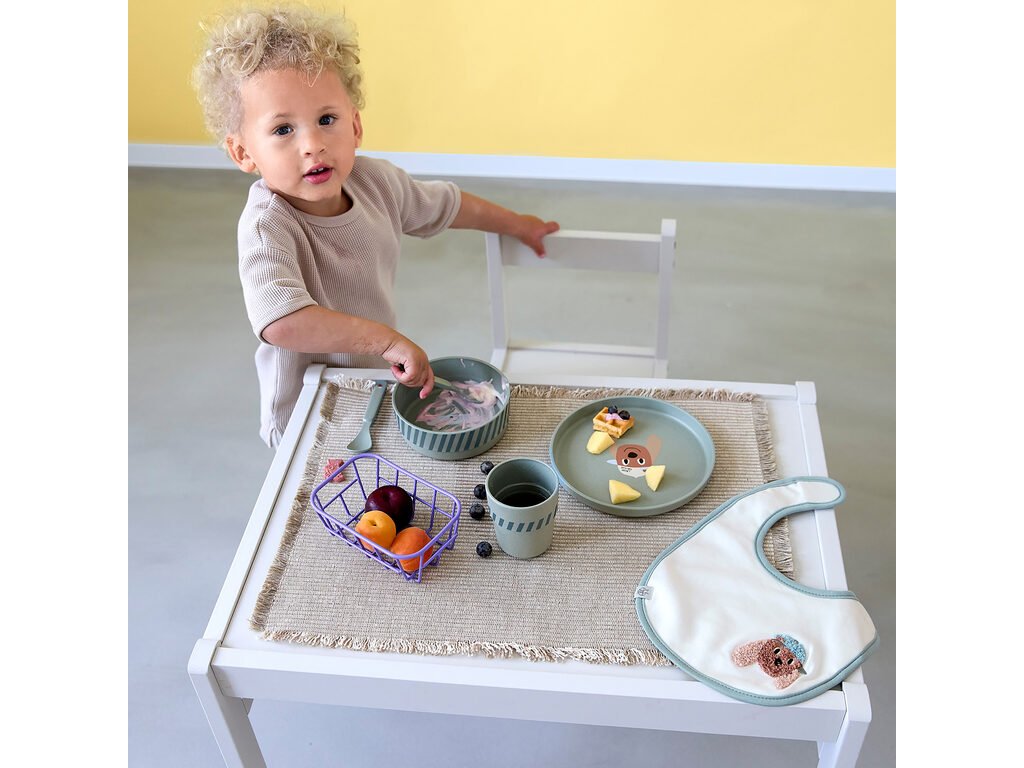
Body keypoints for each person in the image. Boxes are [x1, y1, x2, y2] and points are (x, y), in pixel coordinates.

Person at [192, 3, 559, 447]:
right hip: (305, 414)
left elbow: (447, 205)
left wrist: (517, 224)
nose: (313, 145)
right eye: (283, 130)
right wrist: (384, 342)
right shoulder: (266, 226)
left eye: (326, 120)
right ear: (243, 153)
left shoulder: (376, 183)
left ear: (355, 125)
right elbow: (281, 321)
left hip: (370, 390)